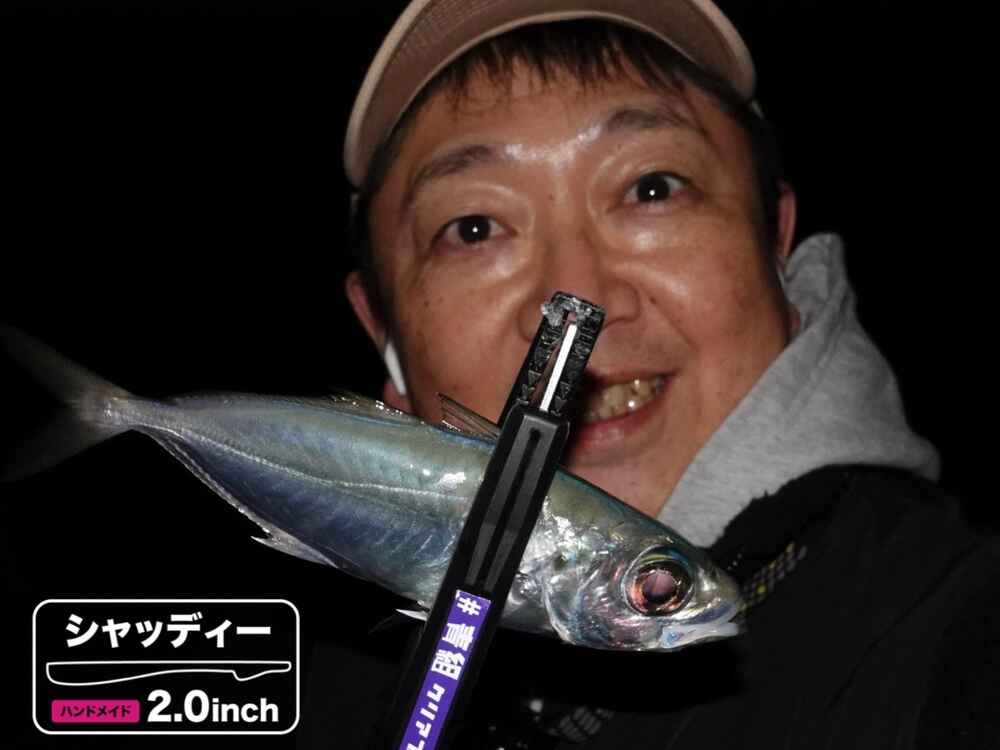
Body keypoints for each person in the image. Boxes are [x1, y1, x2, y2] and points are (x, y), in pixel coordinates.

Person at [298, 1, 1000, 747]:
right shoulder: (281, 688)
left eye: (652, 188)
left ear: (776, 242)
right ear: (384, 336)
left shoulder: (965, 640)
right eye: (473, 228)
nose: (578, 297)